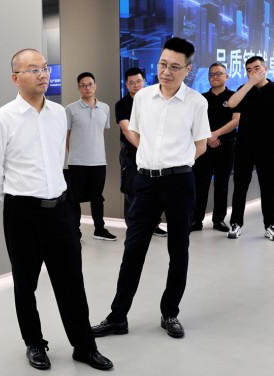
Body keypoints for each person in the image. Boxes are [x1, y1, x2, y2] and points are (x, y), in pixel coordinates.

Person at [0, 48, 113, 371]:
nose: (43, 74)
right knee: (25, 283)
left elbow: (58, 158)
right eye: (33, 69)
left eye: (44, 68)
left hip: (60, 209)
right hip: (22, 212)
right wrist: (19, 199)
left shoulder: (58, 114)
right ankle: (35, 343)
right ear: (15, 78)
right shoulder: (2, 119)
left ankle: (84, 346)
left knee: (72, 281)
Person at [92, 37, 210, 339]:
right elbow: (138, 135)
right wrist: (151, 161)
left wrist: (176, 162)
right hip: (145, 182)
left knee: (178, 251)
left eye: (174, 67)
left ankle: (170, 313)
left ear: (188, 69)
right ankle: (117, 317)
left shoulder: (197, 103)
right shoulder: (143, 97)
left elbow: (200, 145)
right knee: (132, 251)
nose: (166, 71)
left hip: (179, 183)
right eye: (162, 64)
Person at [226, 56, 274, 240]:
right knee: (240, 186)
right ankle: (236, 223)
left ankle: (270, 224)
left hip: (268, 147)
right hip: (244, 146)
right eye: (249, 70)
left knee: (268, 188)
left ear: (265, 68)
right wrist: (250, 83)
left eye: (257, 68)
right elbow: (231, 103)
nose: (253, 72)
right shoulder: (244, 89)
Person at [115, 67, 168, 237]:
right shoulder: (122, 104)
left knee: (154, 188)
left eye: (138, 81)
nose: (136, 85)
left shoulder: (154, 101)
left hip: (153, 153)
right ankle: (133, 226)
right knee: (131, 189)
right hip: (130, 153)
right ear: (126, 84)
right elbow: (127, 130)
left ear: (144, 81)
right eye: (131, 83)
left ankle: (153, 224)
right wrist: (144, 149)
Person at [65, 72, 116, 241]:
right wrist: (74, 152)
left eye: (90, 84)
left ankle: (99, 229)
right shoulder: (70, 109)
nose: (87, 87)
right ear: (79, 88)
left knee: (97, 198)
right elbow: (66, 135)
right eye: (83, 85)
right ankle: (75, 232)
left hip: (99, 161)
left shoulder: (105, 108)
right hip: (77, 162)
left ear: (95, 86)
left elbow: (101, 131)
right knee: (74, 199)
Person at [191, 63, 240, 232]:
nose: (214, 77)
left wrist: (216, 134)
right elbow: (195, 122)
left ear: (227, 76)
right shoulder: (201, 98)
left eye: (218, 73)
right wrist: (208, 137)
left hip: (226, 147)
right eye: (211, 74)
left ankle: (218, 220)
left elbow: (236, 120)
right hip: (203, 147)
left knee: (222, 185)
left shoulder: (234, 97)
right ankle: (196, 220)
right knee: (200, 184)